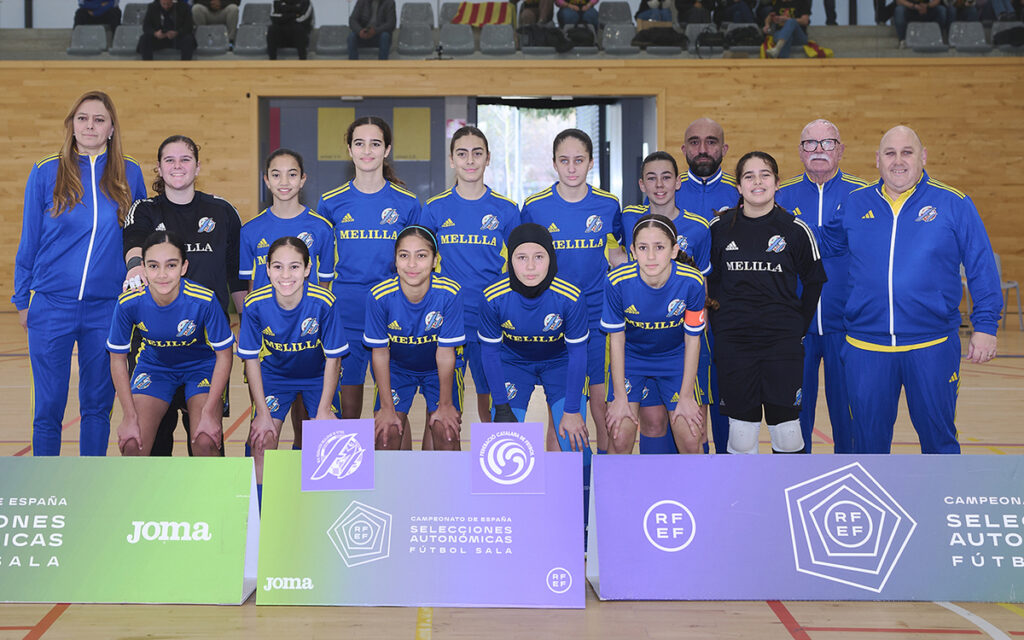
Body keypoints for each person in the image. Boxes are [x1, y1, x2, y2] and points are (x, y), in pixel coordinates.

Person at [818, 125, 1001, 454]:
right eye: (890, 153)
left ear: (923, 157)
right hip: (865, 347)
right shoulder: (855, 203)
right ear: (877, 160)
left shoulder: (953, 203)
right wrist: (762, 218)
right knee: (867, 446)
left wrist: (986, 325)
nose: (898, 161)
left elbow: (981, 265)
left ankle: (940, 490)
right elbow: (821, 244)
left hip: (932, 344)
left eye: (907, 152)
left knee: (939, 442)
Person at [14, 90, 147, 456]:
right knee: (48, 407)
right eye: (83, 118)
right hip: (51, 305)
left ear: (111, 128)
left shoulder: (129, 172)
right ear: (71, 125)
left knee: (97, 406)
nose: (90, 126)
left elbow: (139, 237)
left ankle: (89, 480)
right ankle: (46, 480)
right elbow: (29, 240)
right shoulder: (46, 171)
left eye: (99, 119)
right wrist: (22, 300)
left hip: (107, 309)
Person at [122, 134, 246, 456]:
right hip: (154, 347)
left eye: (185, 159)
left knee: (206, 441)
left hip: (206, 347)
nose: (177, 166)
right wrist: (135, 268)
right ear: (159, 168)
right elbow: (134, 244)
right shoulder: (145, 210)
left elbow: (236, 277)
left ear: (197, 166)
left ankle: (211, 491)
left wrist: (247, 325)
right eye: (170, 160)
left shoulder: (222, 211)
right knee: (150, 445)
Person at [708, 151, 826, 454]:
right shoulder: (719, 228)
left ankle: (787, 487)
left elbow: (814, 281)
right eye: (749, 176)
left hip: (781, 346)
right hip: (734, 346)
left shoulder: (795, 229)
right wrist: (721, 325)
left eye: (765, 175)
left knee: (787, 432)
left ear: (777, 183)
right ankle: (743, 487)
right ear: (739, 186)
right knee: (741, 434)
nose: (757, 182)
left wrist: (797, 327)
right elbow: (709, 280)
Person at [521, 129, 620, 455]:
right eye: (564, 160)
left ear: (591, 162)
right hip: (556, 322)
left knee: (602, 409)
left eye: (579, 160)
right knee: (561, 413)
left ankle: (604, 479)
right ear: (554, 163)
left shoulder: (608, 205)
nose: (572, 167)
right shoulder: (535, 207)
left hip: (598, 321)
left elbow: (617, 254)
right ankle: (560, 481)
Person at [316, 116, 421, 420]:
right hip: (346, 315)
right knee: (347, 411)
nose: (367, 151)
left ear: (386, 150)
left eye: (375, 144)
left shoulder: (408, 203)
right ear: (349, 149)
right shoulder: (330, 202)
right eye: (359, 143)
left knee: (392, 415)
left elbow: (419, 263)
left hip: (393, 315)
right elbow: (322, 266)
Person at [775, 119, 868, 453]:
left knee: (849, 417)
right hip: (794, 327)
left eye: (827, 143)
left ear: (840, 150)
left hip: (848, 325)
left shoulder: (864, 195)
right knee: (794, 415)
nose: (818, 150)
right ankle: (795, 476)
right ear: (800, 152)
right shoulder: (780, 195)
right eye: (810, 144)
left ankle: (851, 472)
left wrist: (800, 235)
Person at [418, 126, 520, 430]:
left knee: (493, 406)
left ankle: (494, 456)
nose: (470, 160)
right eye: (462, 154)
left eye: (477, 153)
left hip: (491, 321)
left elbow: (521, 267)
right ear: (452, 160)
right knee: (444, 408)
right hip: (448, 321)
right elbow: (420, 266)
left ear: (488, 158)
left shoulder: (507, 210)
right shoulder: (434, 209)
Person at [618, 152, 712, 454]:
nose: (659, 185)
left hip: (683, 338)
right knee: (652, 421)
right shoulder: (628, 218)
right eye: (652, 178)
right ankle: (655, 480)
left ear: (678, 182)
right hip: (641, 337)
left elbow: (703, 281)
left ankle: (694, 479)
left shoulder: (698, 226)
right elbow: (616, 255)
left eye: (666, 177)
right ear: (641, 185)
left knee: (692, 423)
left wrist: (698, 325)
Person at [108, 231, 234, 457]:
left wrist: (209, 413)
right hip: (155, 369)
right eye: (153, 266)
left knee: (205, 440)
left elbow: (224, 355)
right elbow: (117, 359)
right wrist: (128, 416)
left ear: (184, 267)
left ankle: (212, 482)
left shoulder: (204, 300)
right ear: (143, 268)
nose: (162, 274)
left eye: (171, 265)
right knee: (132, 443)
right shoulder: (129, 302)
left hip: (200, 368)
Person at [238, 237, 347, 490]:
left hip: (317, 377)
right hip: (275, 377)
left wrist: (324, 410)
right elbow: (251, 360)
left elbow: (334, 358)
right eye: (278, 266)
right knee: (262, 439)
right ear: (267, 269)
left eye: (294, 267)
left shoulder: (324, 302)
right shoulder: (254, 304)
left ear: (308, 269)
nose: (286, 275)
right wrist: (262, 413)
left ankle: (320, 506)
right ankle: (259, 509)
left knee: (329, 441)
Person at [478, 223, 590, 454]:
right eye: (521, 258)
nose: (530, 266)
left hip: (560, 363)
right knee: (503, 442)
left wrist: (571, 410)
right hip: (513, 364)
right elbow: (489, 354)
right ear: (510, 260)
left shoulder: (570, 296)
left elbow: (578, 354)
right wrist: (501, 406)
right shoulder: (493, 296)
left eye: (539, 257)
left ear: (551, 258)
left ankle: (583, 478)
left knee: (574, 441)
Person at [603, 214, 708, 455]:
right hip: (631, 360)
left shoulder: (692, 282)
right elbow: (616, 341)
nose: (651, 256)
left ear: (674, 250)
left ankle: (696, 482)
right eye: (643, 248)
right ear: (633, 251)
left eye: (659, 247)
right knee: (619, 435)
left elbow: (693, 340)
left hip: (675, 360)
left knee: (691, 437)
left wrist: (686, 396)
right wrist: (620, 398)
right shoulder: (617, 282)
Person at [364, 227, 466, 451]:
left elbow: (445, 353)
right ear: (395, 260)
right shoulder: (379, 296)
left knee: (446, 432)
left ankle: (442, 475)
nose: (412, 264)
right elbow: (380, 354)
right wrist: (387, 408)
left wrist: (445, 405)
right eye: (404, 255)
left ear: (435, 261)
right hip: (397, 369)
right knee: (385, 435)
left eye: (421, 255)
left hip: (437, 370)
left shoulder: (450, 294)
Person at [675, 117, 738, 454]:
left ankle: (726, 467)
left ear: (724, 148)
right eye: (695, 142)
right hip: (679, 316)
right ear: (683, 149)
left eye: (711, 142)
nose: (703, 149)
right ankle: (686, 470)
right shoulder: (670, 191)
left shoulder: (739, 192)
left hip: (730, 316)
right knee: (684, 400)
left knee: (727, 399)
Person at [241, 149, 334, 292]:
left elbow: (324, 284)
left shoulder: (322, 228)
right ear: (267, 181)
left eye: (292, 174)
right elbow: (251, 287)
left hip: (308, 307)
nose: (284, 182)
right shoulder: (249, 230)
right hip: (264, 307)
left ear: (302, 179)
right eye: (276, 175)